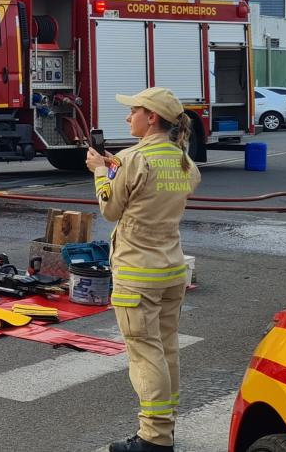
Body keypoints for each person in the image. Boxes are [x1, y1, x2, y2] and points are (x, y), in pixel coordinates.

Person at [85, 87, 200, 452]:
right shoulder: (183, 160)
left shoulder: (132, 158)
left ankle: (154, 438)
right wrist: (113, 167)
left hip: (137, 271)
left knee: (144, 353)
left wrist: (101, 172)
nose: (127, 117)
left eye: (133, 110)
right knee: (166, 350)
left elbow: (110, 210)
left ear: (151, 117)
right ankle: (165, 428)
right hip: (171, 267)